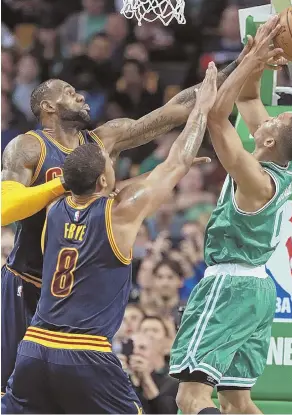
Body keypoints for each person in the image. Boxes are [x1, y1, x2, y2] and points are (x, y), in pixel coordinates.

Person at [0, 41, 250, 392]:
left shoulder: (103, 141)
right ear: (47, 107)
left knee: (59, 388)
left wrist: (240, 64)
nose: (82, 96)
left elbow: (172, 112)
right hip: (27, 279)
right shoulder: (29, 147)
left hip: (76, 292)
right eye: (70, 93)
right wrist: (61, 186)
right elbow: (3, 210)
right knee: (11, 390)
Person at [169, 16, 292, 415]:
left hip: (229, 287)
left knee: (191, 397)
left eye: (272, 121)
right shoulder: (283, 163)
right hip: (258, 292)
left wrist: (246, 63)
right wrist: (258, 55)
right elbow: (248, 100)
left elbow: (217, 116)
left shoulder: (255, 179)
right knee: (237, 402)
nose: (266, 116)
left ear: (267, 141)